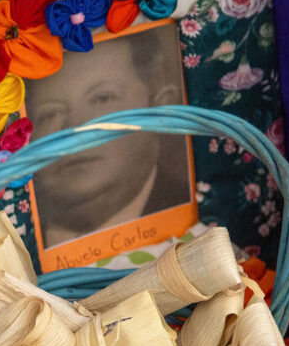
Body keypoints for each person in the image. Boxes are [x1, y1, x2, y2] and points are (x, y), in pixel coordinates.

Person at [26, 24, 190, 246]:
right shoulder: (18, 241)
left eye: (102, 99)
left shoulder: (194, 213)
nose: (75, 130)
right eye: (50, 113)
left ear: (161, 111)